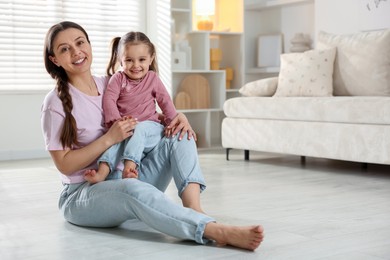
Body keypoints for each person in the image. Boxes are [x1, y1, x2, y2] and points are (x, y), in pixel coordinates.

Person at [41, 21, 264, 251]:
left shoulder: (111, 82)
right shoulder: (55, 103)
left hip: (124, 176)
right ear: (55, 59)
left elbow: (145, 115)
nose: (76, 52)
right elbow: (64, 165)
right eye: (64, 49)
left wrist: (178, 119)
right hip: (83, 194)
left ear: (89, 44)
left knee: (180, 135)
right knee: (131, 188)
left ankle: (194, 209)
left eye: (80, 42)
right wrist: (109, 138)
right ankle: (213, 230)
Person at [84, 31, 178, 184]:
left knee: (139, 129)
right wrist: (116, 122)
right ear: (121, 60)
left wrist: (172, 121)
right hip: (128, 128)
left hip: (151, 128)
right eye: (129, 60)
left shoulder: (152, 78)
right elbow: (109, 100)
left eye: (142, 60)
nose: (136, 65)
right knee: (115, 142)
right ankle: (101, 172)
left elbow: (165, 100)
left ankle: (129, 167)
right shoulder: (118, 78)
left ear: (151, 59)